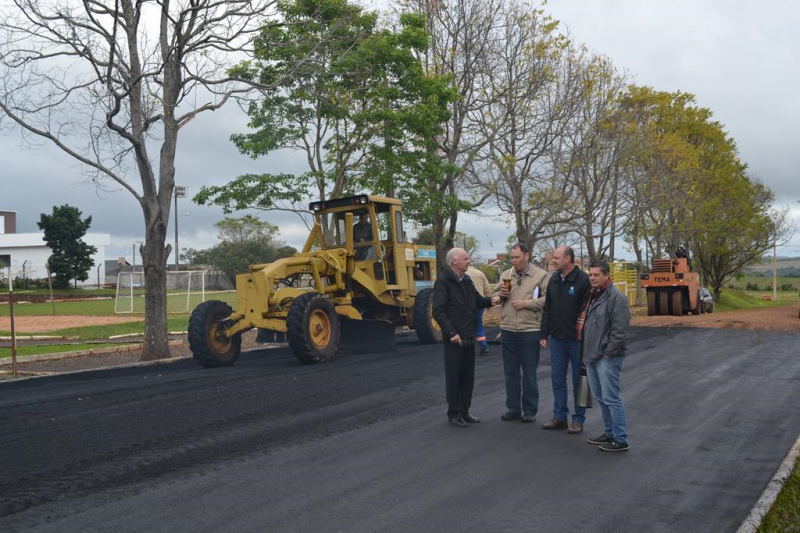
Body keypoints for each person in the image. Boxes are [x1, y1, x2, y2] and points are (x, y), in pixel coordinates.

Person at [433, 248, 499, 428]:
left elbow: (477, 301)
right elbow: (438, 311)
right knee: (455, 376)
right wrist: (452, 333)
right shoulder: (443, 281)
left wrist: (493, 300)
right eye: (466, 258)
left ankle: (464, 410)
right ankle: (454, 413)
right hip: (455, 337)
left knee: (468, 376)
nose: (469, 261)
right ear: (454, 261)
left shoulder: (467, 280)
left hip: (469, 335)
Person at [493, 243, 549, 423]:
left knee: (529, 373)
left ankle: (530, 410)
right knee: (510, 372)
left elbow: (549, 299)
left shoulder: (541, 276)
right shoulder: (506, 275)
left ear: (527, 255)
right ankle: (513, 408)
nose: (514, 260)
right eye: (512, 257)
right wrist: (500, 295)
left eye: (517, 257)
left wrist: (527, 304)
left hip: (529, 329)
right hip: (508, 329)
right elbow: (494, 297)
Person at [580, 259, 631, 451]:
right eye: (590, 274)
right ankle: (609, 433)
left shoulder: (616, 298)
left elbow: (621, 331)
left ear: (606, 276)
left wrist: (609, 353)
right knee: (601, 397)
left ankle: (621, 438)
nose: (592, 278)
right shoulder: (594, 295)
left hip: (608, 357)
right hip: (592, 356)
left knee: (611, 397)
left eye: (596, 275)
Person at [539, 245, 591, 434]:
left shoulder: (583, 280)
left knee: (580, 380)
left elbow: (588, 311)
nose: (553, 261)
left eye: (557, 258)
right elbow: (548, 308)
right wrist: (544, 333)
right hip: (557, 339)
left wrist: (586, 337)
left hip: (577, 340)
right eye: (553, 257)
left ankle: (578, 419)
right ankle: (560, 417)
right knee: (557, 379)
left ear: (568, 259)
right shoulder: (553, 279)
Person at [466, 265, 492, 355]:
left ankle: (467, 346)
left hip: (466, 303)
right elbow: (487, 289)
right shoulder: (480, 273)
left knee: (466, 324)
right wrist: (489, 303)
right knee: (479, 323)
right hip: (480, 302)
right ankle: (483, 346)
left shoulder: (462, 273)